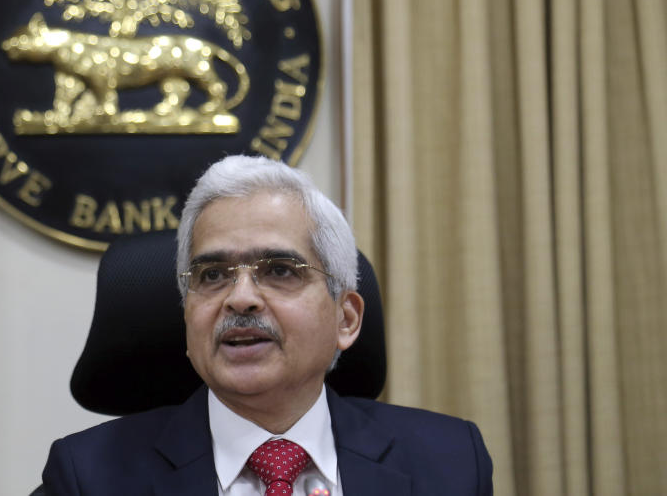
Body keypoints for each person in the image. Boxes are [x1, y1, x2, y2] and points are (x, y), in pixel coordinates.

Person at [41, 155, 493, 495]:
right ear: (187, 315)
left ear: (346, 318)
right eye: (212, 276)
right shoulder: (87, 477)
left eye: (279, 270)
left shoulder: (451, 462)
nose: (240, 298)